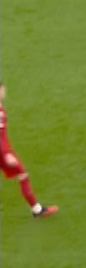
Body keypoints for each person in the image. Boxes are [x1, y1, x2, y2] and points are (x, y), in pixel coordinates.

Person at [0, 84, 58, 218]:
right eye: (2, 89)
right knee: (22, 175)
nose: (4, 91)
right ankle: (37, 210)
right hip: (2, 152)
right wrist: (6, 154)